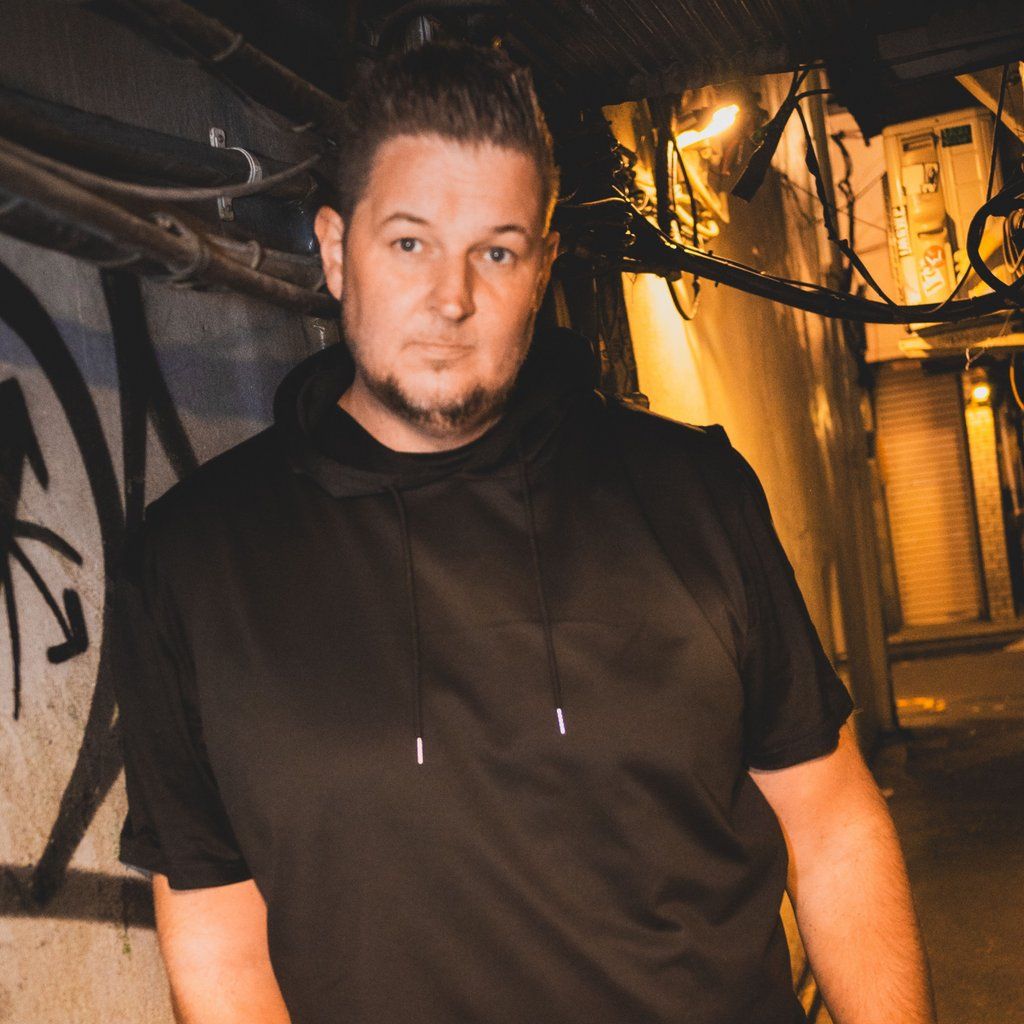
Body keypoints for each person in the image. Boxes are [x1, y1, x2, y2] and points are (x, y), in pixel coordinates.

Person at [114, 39, 936, 1024]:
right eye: (409, 243)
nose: (451, 297)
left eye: (495, 251)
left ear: (541, 270)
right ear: (335, 250)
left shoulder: (691, 493)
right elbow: (216, 928)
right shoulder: (193, 562)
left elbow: (831, 820)